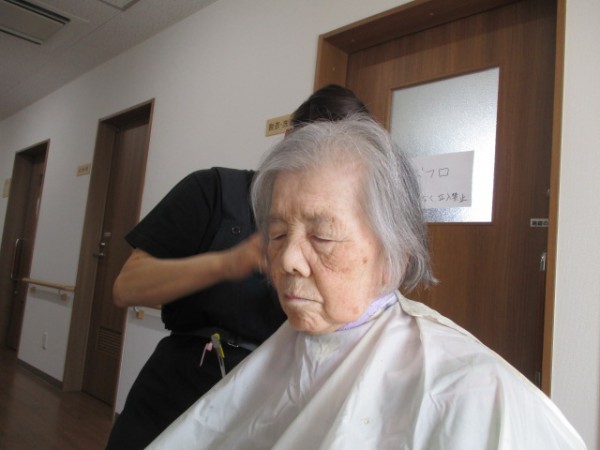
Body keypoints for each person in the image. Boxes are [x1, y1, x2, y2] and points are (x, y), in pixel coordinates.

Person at [146, 117, 586, 449]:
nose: (287, 260)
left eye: (323, 237)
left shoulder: (473, 390)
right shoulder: (288, 347)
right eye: (277, 235)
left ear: (395, 255)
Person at [104, 85, 370, 450]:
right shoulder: (213, 190)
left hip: (273, 399)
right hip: (182, 387)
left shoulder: (350, 230)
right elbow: (126, 287)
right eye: (312, 151)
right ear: (288, 139)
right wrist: (228, 263)